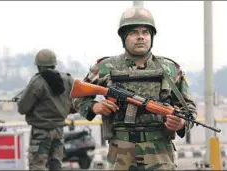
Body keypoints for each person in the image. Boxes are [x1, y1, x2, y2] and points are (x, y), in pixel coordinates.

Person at [73, 6, 197, 170]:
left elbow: (189, 109)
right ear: (124, 37)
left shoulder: (170, 69)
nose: (140, 37)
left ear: (151, 37)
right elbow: (76, 96)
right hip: (121, 153)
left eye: (145, 32)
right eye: (133, 33)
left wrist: (181, 123)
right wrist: (94, 106)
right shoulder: (105, 67)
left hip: (160, 153)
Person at [17, 49, 76, 171]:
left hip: (41, 132)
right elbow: (74, 105)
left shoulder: (37, 82)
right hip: (59, 131)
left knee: (37, 166)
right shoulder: (67, 80)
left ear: (38, 66)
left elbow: (22, 108)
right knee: (56, 165)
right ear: (54, 64)